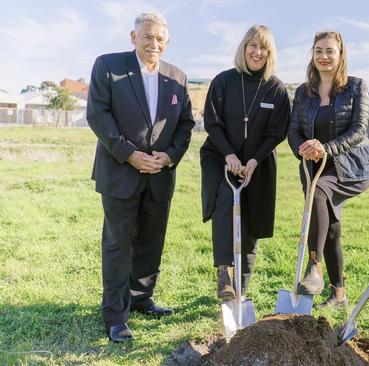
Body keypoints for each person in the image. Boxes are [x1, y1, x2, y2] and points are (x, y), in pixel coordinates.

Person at [86, 12, 195, 343]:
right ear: (134, 37)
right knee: (118, 245)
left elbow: (186, 124)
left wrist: (170, 156)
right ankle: (116, 316)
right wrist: (130, 154)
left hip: (160, 175)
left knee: (151, 241)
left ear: (167, 42)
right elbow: (98, 115)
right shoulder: (108, 66)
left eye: (160, 38)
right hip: (120, 172)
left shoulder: (177, 76)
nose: (154, 43)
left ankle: (142, 298)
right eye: (147, 36)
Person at [200, 25, 290, 301]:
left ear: (270, 53)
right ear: (243, 48)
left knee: (251, 219)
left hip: (258, 162)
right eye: (253, 45)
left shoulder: (276, 89)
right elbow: (212, 122)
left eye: (264, 47)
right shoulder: (224, 81)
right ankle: (224, 272)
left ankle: (241, 288)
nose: (257, 52)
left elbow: (277, 132)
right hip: (220, 157)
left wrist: (252, 161)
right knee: (226, 201)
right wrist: (229, 156)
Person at [288, 31, 369, 308]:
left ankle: (314, 267)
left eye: (330, 51)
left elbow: (359, 130)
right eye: (318, 51)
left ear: (340, 55)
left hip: (350, 167)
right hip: (313, 167)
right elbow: (293, 130)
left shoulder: (356, 87)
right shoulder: (303, 92)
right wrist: (303, 148)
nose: (324, 56)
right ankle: (339, 295)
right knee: (331, 228)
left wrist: (326, 148)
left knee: (319, 195)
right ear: (312, 55)